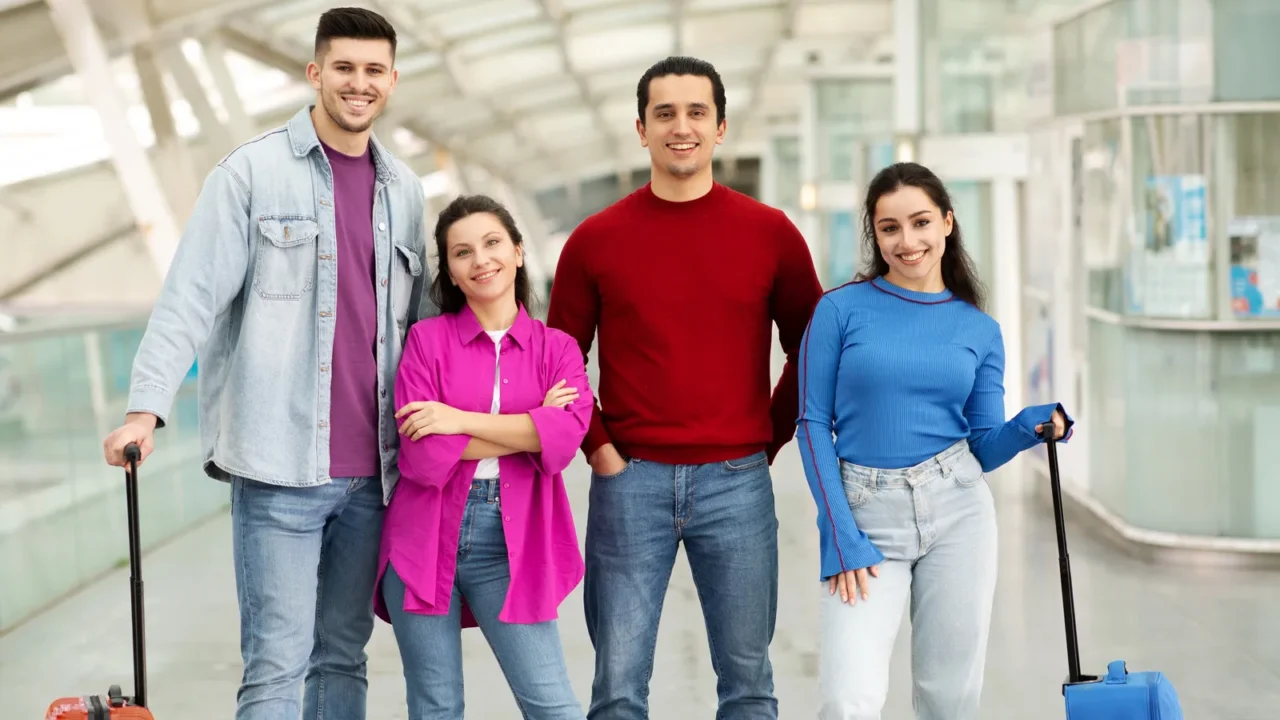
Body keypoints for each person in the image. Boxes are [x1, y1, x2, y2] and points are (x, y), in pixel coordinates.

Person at [99, 8, 430, 719]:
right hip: (279, 468)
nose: (358, 83)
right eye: (343, 67)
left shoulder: (404, 191)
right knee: (276, 668)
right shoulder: (249, 174)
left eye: (374, 71)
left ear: (393, 82)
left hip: (374, 474)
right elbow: (189, 296)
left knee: (343, 658)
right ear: (315, 73)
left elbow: (425, 326)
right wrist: (144, 409)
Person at [546, 56, 824, 720]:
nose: (682, 127)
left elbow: (813, 348)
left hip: (736, 482)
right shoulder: (594, 241)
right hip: (628, 481)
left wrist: (769, 436)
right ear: (640, 129)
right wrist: (599, 448)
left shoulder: (771, 234)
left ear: (721, 127)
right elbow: (557, 360)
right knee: (616, 686)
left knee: (750, 683)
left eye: (697, 112)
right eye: (664, 114)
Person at [795, 161, 1074, 720]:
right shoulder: (839, 310)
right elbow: (811, 424)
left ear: (947, 223)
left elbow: (981, 444)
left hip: (959, 513)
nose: (907, 241)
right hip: (866, 513)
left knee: (950, 701)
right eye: (889, 227)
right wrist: (840, 533)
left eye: (920, 222)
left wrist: (1025, 427)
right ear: (875, 235)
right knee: (848, 700)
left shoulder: (978, 328)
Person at [378, 194, 591, 720]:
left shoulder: (558, 349)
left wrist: (458, 421)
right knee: (436, 708)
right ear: (449, 271)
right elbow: (424, 458)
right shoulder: (426, 342)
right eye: (462, 252)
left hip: (513, 541)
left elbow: (563, 443)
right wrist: (531, 427)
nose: (481, 260)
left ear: (518, 253)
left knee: (554, 707)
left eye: (493, 243)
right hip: (423, 537)